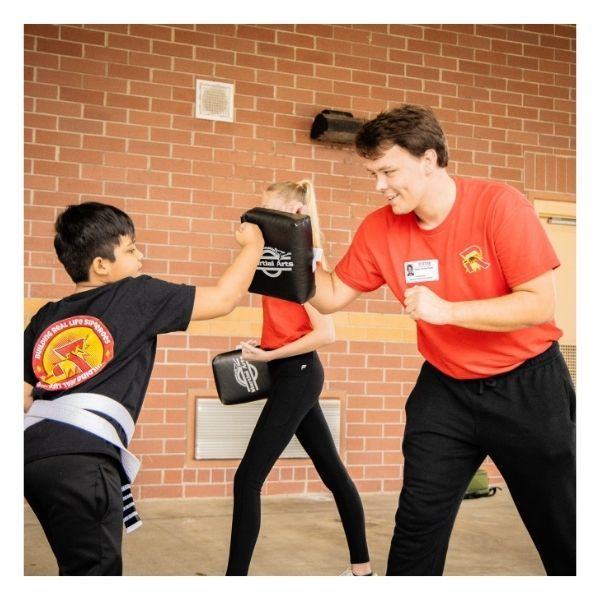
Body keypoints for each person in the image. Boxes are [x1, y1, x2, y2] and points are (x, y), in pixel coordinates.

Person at [310, 105, 576, 576]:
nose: (379, 185)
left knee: (562, 525)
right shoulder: (380, 227)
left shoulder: (498, 205)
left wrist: (448, 311)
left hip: (528, 387)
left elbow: (538, 304)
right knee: (417, 520)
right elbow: (330, 296)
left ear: (429, 159)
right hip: (446, 387)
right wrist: (289, 248)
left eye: (389, 171)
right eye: (373, 173)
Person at [23, 201, 264, 575]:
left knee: (74, 564)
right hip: (84, 462)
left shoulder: (47, 315)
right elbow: (223, 299)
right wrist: (254, 246)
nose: (141, 255)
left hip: (32, 457)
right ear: (101, 265)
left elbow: (21, 394)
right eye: (132, 249)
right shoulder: (136, 294)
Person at [225, 180, 373, 576]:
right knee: (333, 471)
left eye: (269, 212)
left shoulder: (308, 264)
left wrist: (272, 353)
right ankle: (363, 572)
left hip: (300, 374)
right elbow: (289, 325)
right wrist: (266, 343)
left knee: (247, 480)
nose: (260, 219)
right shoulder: (277, 262)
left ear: (294, 214)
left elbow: (325, 334)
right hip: (286, 371)